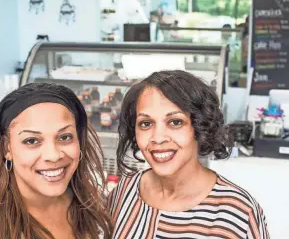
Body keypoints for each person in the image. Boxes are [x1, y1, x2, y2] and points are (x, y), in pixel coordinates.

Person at [0, 83, 112, 239]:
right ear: (6, 148)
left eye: (64, 137)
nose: (53, 155)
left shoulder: (94, 203)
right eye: (32, 141)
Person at [108, 70, 269, 239]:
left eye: (175, 122)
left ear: (200, 128)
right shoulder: (125, 190)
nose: (158, 138)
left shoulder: (239, 212)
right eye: (146, 123)